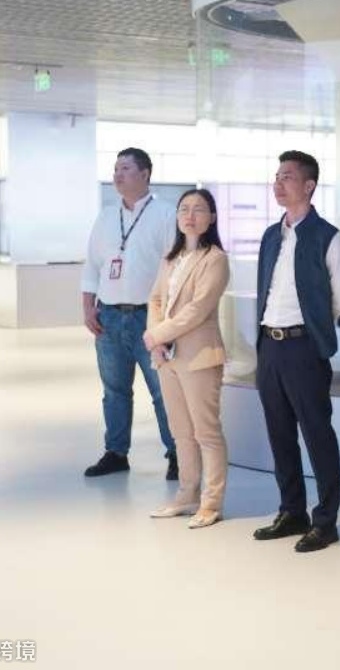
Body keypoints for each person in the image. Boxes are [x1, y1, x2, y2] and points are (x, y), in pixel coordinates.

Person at [251, 151, 340, 553]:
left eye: (287, 177)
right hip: (269, 346)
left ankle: (326, 521)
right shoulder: (270, 236)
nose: (278, 183)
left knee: (317, 434)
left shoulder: (328, 236)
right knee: (279, 434)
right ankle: (292, 512)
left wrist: (310, 331)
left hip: (304, 347)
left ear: (309, 186)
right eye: (276, 176)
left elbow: (339, 299)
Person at [81, 147, 177, 479]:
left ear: (145, 174)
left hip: (149, 318)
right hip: (108, 316)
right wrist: (87, 307)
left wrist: (167, 322)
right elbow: (92, 265)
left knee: (163, 391)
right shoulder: (106, 216)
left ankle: (177, 453)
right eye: (115, 169)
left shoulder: (166, 214)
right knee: (114, 391)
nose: (117, 175)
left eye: (125, 168)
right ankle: (116, 452)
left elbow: (174, 269)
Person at [143, 189, 230, 529]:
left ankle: (211, 503)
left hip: (199, 357)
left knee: (206, 431)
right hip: (167, 356)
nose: (190, 215)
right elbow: (155, 300)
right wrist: (156, 338)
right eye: (184, 209)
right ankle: (186, 494)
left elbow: (198, 309)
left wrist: (158, 335)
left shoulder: (215, 259)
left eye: (198, 209)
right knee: (181, 432)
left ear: (212, 218)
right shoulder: (170, 258)